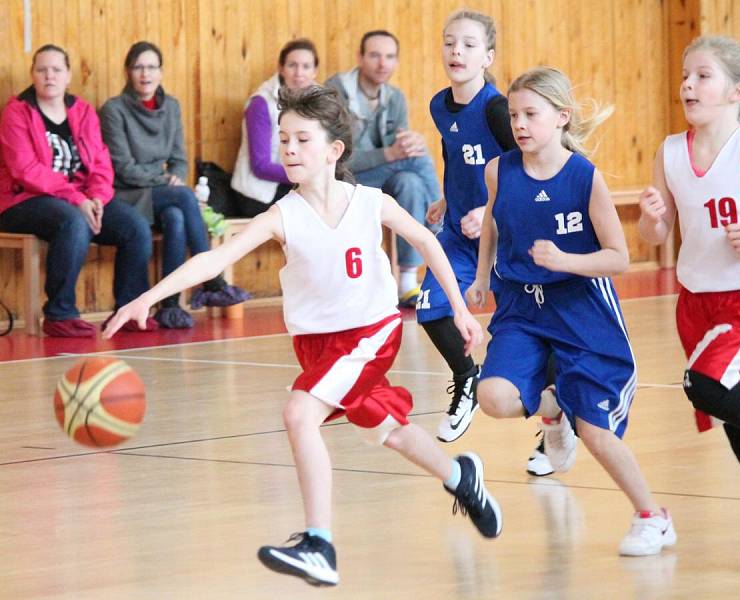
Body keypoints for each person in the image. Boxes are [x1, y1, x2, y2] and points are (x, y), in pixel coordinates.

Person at [103, 84, 502, 587]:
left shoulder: (370, 202)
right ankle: (460, 477)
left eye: (301, 140)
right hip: (318, 345)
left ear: (334, 151)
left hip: (370, 334)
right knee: (390, 430)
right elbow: (213, 259)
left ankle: (320, 543)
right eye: (283, 140)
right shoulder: (282, 215)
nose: (288, 149)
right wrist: (147, 296)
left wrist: (463, 312)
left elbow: (425, 239)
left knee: (298, 412)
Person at [468, 66, 676, 557]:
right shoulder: (499, 169)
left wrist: (566, 261)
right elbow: (493, 225)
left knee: (597, 431)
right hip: (522, 306)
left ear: (561, 118)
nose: (519, 124)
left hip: (581, 309)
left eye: (530, 115)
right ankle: (552, 411)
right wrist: (481, 277)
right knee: (493, 397)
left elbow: (619, 257)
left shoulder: (585, 178)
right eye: (514, 115)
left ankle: (652, 517)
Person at [638, 35, 740, 572]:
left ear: (736, 90)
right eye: (686, 75)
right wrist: (654, 215)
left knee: (704, 384)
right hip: (697, 301)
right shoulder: (668, 151)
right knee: (731, 414)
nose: (688, 84)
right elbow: (656, 233)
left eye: (702, 75)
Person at [421, 9, 574, 480]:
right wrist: (448, 199)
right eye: (449, 43)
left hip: (504, 234)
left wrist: (488, 208)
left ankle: (555, 417)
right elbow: (456, 158)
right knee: (430, 307)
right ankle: (465, 377)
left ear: (488, 56)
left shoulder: (496, 109)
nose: (456, 52)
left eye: (468, 45)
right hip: (457, 235)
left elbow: (528, 162)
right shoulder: (438, 106)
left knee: (531, 328)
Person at [0, 44, 155, 337]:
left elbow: (100, 162)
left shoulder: (82, 111)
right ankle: (60, 314)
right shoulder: (17, 112)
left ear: (68, 75)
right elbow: (26, 170)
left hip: (81, 198)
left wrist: (97, 197)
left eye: (56, 70)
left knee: (135, 226)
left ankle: (128, 310)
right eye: (42, 70)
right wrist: (77, 199)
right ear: (32, 74)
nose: (49, 76)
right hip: (23, 200)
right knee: (73, 222)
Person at [101, 41, 249, 329]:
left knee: (177, 214)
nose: (145, 74)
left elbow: (179, 159)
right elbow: (123, 168)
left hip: (163, 193)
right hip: (127, 194)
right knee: (181, 199)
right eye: (138, 67)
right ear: (128, 72)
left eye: (152, 67)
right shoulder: (113, 110)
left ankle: (170, 308)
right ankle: (212, 279)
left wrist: (176, 177)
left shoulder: (171, 106)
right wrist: (164, 180)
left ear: (161, 72)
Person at [325, 30, 442, 307]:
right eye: (375, 55)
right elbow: (337, 158)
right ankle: (441, 226)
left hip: (381, 179)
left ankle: (407, 283)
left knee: (411, 181)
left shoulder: (395, 98)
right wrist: (393, 153)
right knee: (413, 161)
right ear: (360, 58)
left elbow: (398, 150)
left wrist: (410, 143)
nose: (382, 64)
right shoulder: (336, 90)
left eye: (390, 57)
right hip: (343, 178)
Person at [231, 38, 319, 217]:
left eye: (306, 66)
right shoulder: (260, 103)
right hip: (259, 193)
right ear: (281, 68)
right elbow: (260, 166)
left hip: (299, 182)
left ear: (315, 71)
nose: (299, 73)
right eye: (292, 65)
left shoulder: (321, 101)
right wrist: (310, 175)